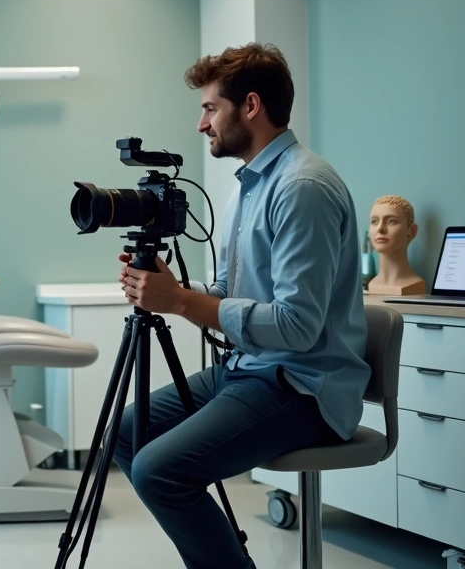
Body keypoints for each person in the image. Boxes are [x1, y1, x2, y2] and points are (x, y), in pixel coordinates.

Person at [113, 43, 371, 569]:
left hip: (303, 386)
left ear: (249, 106)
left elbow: (298, 327)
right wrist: (170, 289)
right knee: (124, 432)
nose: (201, 124)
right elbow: (231, 290)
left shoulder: (302, 187)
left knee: (157, 470)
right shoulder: (248, 188)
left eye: (210, 108)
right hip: (248, 369)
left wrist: (182, 303)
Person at [366, 194, 425, 295]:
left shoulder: (414, 284)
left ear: (411, 231)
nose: (380, 229)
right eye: (374, 221)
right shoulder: (370, 284)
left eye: (391, 221)